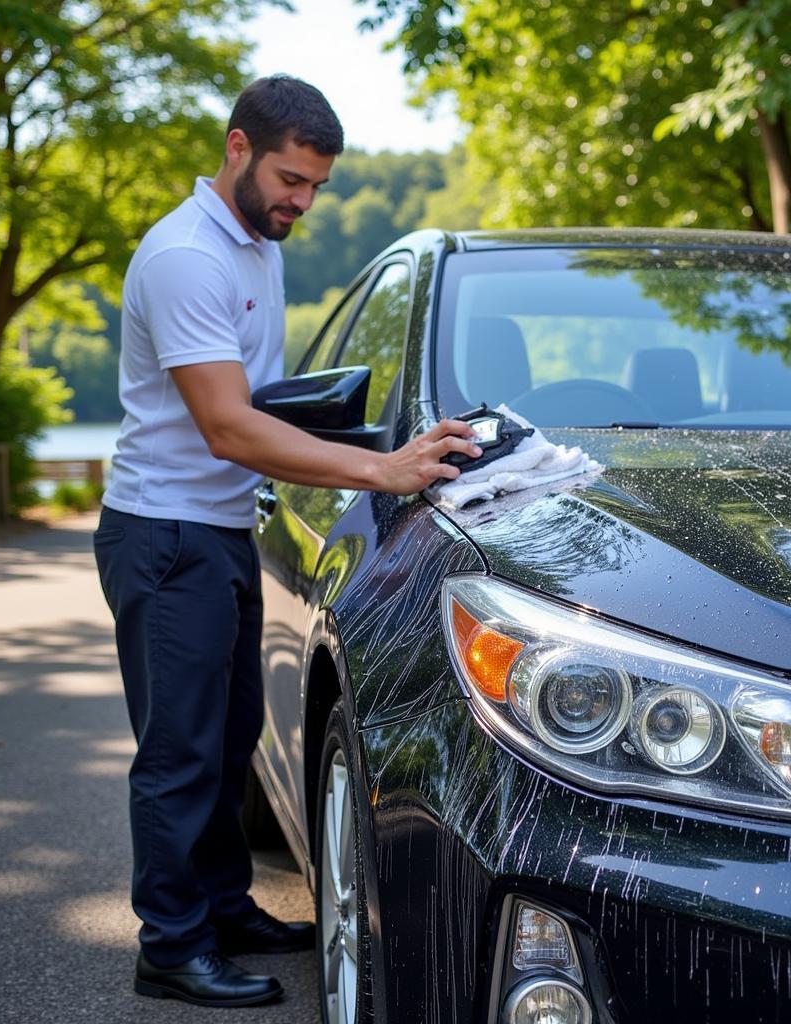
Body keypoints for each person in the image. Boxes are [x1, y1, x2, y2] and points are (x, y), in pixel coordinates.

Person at [93, 75, 480, 1008]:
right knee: (179, 753)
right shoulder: (188, 257)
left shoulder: (255, 243)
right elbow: (229, 427)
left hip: (220, 527)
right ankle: (172, 946)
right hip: (166, 530)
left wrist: (366, 436)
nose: (300, 202)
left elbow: (260, 403)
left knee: (228, 746)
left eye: (314, 187)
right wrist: (383, 473)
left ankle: (225, 909)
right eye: (288, 179)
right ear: (236, 149)